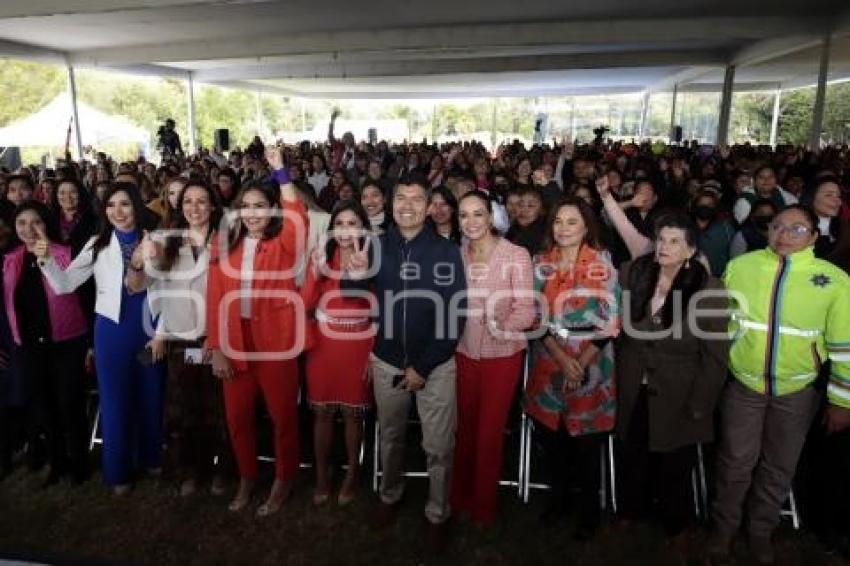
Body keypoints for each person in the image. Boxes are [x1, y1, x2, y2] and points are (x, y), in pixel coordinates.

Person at [708, 205, 850, 565]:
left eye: (797, 229)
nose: (785, 235)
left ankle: (760, 532)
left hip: (797, 392)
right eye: (777, 227)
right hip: (744, 386)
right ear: (768, 230)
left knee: (779, 466)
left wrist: (841, 402)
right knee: (735, 462)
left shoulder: (834, 281)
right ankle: (723, 532)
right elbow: (720, 323)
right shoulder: (742, 267)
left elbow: (844, 348)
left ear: (815, 236)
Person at [343, 173, 466, 550]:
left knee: (439, 446)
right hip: (388, 360)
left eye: (417, 199)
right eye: (401, 198)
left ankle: (437, 512)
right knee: (391, 436)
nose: (408, 205)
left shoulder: (445, 251)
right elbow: (351, 294)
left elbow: (454, 314)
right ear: (391, 203)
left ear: (429, 206)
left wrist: (424, 367)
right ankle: (389, 495)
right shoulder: (377, 245)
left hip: (437, 365)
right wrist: (354, 272)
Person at [35, 182, 165, 495]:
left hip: (150, 330)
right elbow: (65, 284)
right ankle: (118, 471)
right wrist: (46, 260)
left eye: (124, 204)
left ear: (136, 206)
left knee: (151, 398)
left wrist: (162, 333)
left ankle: (151, 458)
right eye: (110, 205)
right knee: (115, 401)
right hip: (111, 332)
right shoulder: (98, 243)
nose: (117, 212)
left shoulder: (156, 240)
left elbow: (167, 289)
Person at [615, 212, 729, 551]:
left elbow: (715, 357)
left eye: (674, 241)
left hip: (681, 390)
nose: (664, 247)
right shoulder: (634, 274)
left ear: (691, 250)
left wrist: (701, 404)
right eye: (661, 239)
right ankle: (629, 511)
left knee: (674, 462)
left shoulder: (709, 289)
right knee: (632, 452)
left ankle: (676, 523)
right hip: (634, 384)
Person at [206, 151, 308, 516]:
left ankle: (284, 478)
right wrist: (216, 346)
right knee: (237, 418)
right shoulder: (223, 246)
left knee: (283, 417)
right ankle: (248, 476)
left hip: (277, 344)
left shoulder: (283, 245)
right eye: (245, 206)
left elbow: (297, 216)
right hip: (235, 343)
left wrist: (280, 172)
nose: (252, 213)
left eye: (260, 206)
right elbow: (215, 298)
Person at [127, 181, 233, 498]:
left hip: (219, 341)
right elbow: (138, 284)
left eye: (202, 201)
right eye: (188, 201)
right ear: (180, 206)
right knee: (184, 413)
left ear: (213, 206)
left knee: (221, 413)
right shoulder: (166, 242)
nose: (195, 207)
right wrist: (137, 261)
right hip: (181, 343)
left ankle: (223, 471)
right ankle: (191, 471)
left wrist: (217, 342)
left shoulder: (228, 243)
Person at [523, 197, 620, 540]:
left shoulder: (602, 266)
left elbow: (612, 320)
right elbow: (532, 318)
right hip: (550, 358)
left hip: (592, 362)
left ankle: (588, 512)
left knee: (586, 442)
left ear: (586, 227)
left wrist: (580, 361)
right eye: (558, 222)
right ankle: (558, 498)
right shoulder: (539, 265)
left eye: (572, 222)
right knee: (552, 437)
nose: (563, 229)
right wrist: (562, 358)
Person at [451, 190, 535, 525]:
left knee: (489, 432)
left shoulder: (516, 255)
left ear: (491, 217)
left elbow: (526, 310)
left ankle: (483, 506)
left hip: (503, 355)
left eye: (477, 214)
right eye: (463, 215)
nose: (470, 222)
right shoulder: (456, 255)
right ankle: (459, 497)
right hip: (463, 353)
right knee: (465, 429)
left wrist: (499, 325)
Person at [5, 202, 91, 486]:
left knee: (70, 404)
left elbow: (78, 296)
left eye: (35, 222)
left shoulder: (65, 254)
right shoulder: (11, 260)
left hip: (67, 342)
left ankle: (79, 463)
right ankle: (57, 462)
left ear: (46, 223)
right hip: (29, 347)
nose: (29, 230)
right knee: (44, 407)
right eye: (22, 224)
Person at [301, 200, 374, 506]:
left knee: (353, 416)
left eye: (352, 223)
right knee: (323, 413)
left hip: (359, 344)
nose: (346, 231)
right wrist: (315, 275)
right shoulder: (321, 257)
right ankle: (321, 475)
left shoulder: (373, 258)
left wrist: (375, 353)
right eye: (340, 224)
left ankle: (351, 475)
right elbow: (303, 303)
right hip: (323, 345)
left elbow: (381, 309)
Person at [691, 190, 735, 277]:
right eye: (702, 204)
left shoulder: (726, 229)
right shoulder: (684, 227)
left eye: (710, 205)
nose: (705, 207)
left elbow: (734, 257)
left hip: (718, 281)